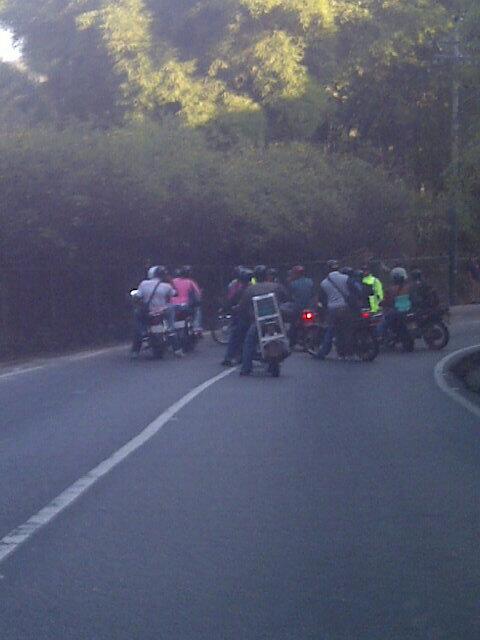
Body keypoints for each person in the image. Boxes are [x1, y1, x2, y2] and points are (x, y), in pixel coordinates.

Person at [238, 265, 288, 376]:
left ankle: (246, 368)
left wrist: (246, 314)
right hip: (276, 319)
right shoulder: (276, 286)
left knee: (249, 342)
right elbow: (286, 298)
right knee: (284, 336)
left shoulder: (250, 289)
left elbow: (243, 306)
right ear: (266, 275)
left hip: (258, 321)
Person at [132, 265, 182, 357]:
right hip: (163, 311)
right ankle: (177, 349)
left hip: (149, 312)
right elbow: (175, 293)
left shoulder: (143, 284)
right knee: (171, 324)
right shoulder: (167, 286)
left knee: (137, 317)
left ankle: (136, 349)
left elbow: (138, 296)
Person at [314, 260, 359, 359]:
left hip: (332, 309)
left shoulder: (324, 283)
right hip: (345, 308)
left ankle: (323, 352)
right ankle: (347, 352)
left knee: (330, 331)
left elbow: (322, 299)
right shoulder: (346, 278)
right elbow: (357, 289)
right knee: (346, 330)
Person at [221, 268, 254, 366]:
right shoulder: (250, 288)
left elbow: (231, 300)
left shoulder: (241, 289)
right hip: (246, 316)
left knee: (235, 336)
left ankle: (231, 356)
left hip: (241, 316)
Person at [378, 267, 413, 349]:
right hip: (409, 310)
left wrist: (381, 303)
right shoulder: (409, 287)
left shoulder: (391, 290)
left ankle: (380, 337)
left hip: (398, 312)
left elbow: (387, 301)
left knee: (384, 321)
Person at [284, 265, 315, 348]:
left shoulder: (292, 284)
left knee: (293, 323)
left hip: (298, 308)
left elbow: (289, 296)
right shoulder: (310, 281)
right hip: (310, 308)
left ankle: (292, 342)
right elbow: (313, 294)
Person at [172, 265, 203, 335]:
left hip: (174, 306)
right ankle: (197, 328)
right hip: (186, 306)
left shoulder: (173, 281)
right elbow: (198, 294)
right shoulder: (190, 282)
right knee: (197, 309)